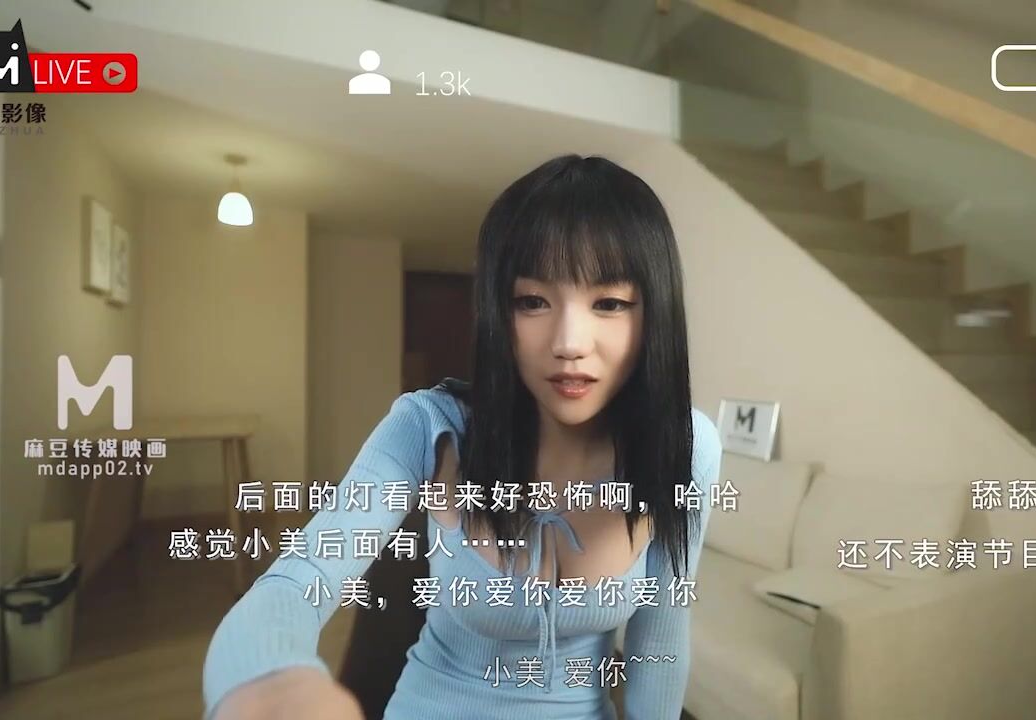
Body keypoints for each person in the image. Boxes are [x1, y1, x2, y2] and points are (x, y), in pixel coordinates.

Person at [202, 154, 722, 720]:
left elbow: (659, 643)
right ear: (499, 311)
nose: (569, 342)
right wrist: (273, 683)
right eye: (532, 301)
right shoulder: (430, 427)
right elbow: (297, 579)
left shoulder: (686, 447)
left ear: (654, 313)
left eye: (610, 304)